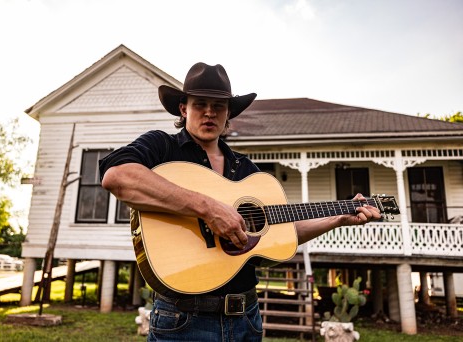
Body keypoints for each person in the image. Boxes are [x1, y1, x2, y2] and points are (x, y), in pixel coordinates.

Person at [98, 62, 382, 341]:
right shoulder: (162, 146)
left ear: (228, 113)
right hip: (182, 321)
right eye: (200, 104)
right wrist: (208, 209)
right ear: (183, 109)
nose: (209, 113)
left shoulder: (248, 172)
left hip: (246, 319)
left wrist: (338, 218)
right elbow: (118, 177)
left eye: (218, 106)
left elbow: (282, 232)